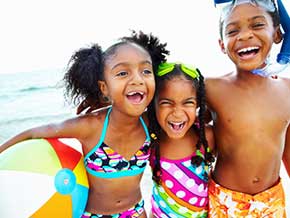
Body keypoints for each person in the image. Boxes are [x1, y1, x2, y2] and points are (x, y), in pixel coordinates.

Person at [0, 30, 169, 218]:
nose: (138, 79)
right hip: (92, 214)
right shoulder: (91, 126)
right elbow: (33, 133)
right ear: (104, 87)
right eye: (122, 73)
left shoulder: (151, 122)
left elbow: (179, 98)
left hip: (136, 212)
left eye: (146, 71)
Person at [205, 0, 290, 217]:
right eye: (233, 30)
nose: (244, 36)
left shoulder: (288, 89)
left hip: (271, 201)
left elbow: (287, 148)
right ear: (222, 44)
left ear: (278, 34)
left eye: (257, 25)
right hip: (225, 200)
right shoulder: (211, 88)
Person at [147, 62, 215, 217]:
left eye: (188, 103)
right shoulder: (151, 138)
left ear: (198, 103)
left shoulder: (206, 137)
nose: (177, 113)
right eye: (166, 103)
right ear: (153, 104)